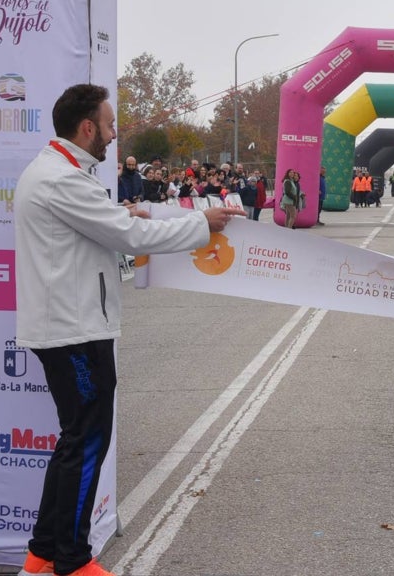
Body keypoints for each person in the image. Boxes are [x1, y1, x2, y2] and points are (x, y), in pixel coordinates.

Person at [15, 84, 243, 576]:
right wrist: (201, 223)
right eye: (111, 124)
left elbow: (105, 227)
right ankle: (72, 562)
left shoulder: (63, 172)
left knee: (76, 438)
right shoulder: (62, 179)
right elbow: (129, 237)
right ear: (87, 127)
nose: (115, 133)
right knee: (87, 440)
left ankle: (42, 554)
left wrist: (126, 213)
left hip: (73, 323)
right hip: (73, 329)